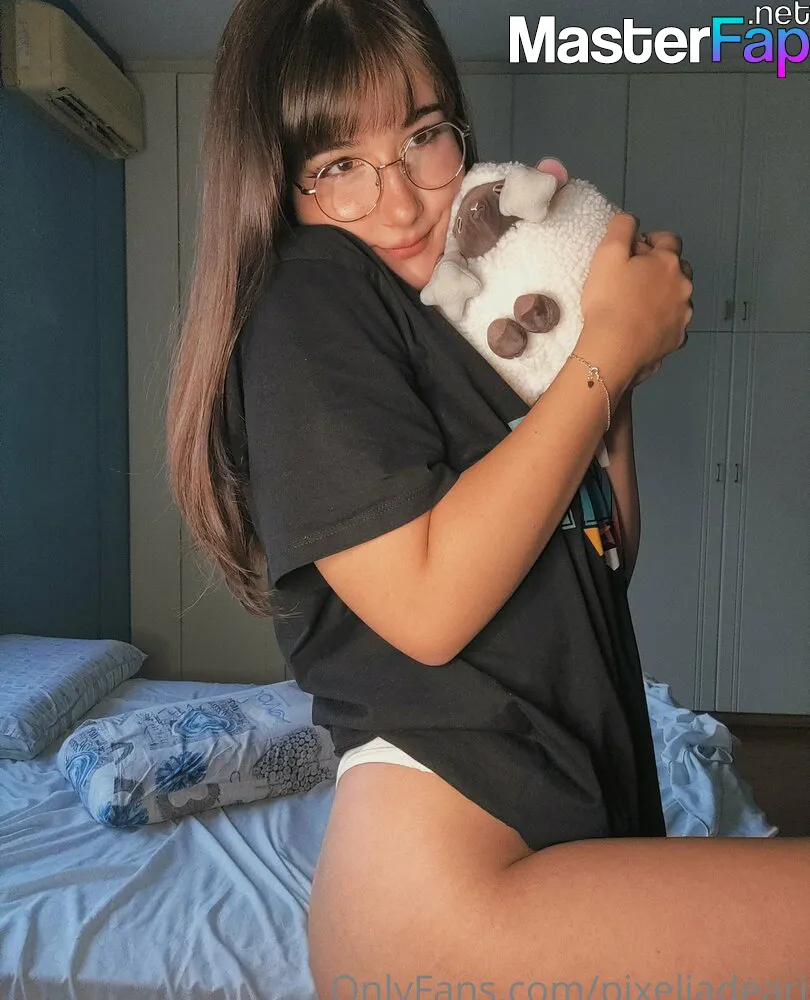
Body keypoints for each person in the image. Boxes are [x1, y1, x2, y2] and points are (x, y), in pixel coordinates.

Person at [165, 0, 810, 992]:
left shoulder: (451, 330)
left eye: (423, 136)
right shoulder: (308, 287)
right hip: (451, 890)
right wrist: (604, 356)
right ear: (276, 179)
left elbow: (603, 560)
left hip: (550, 840)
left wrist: (605, 378)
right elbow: (427, 606)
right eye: (338, 164)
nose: (400, 203)